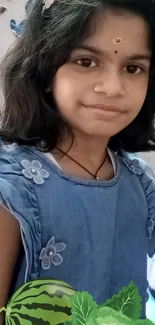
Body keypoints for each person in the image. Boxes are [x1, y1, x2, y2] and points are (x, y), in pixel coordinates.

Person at [0, 0, 155, 322]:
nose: (112, 88)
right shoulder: (12, 186)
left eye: (133, 68)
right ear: (44, 71)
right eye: (85, 61)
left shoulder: (139, 179)